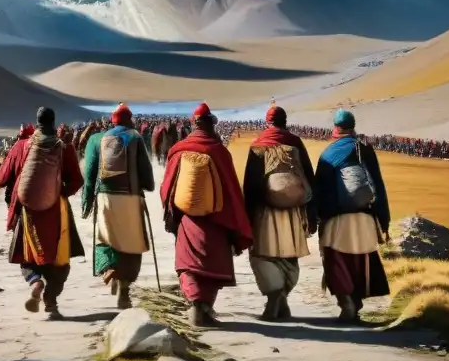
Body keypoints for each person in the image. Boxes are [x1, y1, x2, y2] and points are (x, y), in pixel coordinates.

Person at [161, 102, 252, 327]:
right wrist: (235, 223)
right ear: (210, 124)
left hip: (187, 221)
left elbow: (167, 188)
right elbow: (231, 190)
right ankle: (204, 308)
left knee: (189, 265)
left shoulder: (179, 150)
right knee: (212, 266)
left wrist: (173, 215)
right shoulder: (218, 151)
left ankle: (195, 306)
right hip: (216, 222)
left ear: (193, 125)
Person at [0, 106, 85, 319]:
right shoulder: (64, 147)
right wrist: (59, 193)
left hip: (28, 212)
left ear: (36, 122)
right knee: (60, 260)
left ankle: (35, 282)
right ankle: (51, 301)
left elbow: (1, 179)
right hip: (58, 212)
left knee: (27, 257)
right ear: (54, 122)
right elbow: (77, 180)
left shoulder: (21, 145)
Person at [313, 109, 390, 323]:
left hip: (337, 220)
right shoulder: (364, 150)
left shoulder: (328, 153)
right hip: (365, 217)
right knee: (361, 263)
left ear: (335, 128)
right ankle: (356, 305)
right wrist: (383, 220)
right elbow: (378, 185)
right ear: (353, 126)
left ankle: (345, 302)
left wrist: (317, 217)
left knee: (337, 262)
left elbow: (319, 189)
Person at [242, 104, 317, 321]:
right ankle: (282, 299)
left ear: (267, 122)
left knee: (263, 255)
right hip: (293, 213)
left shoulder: (257, 145)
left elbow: (251, 185)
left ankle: (274, 297)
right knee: (289, 255)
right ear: (285, 122)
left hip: (264, 213)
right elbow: (308, 179)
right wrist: (312, 214)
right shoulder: (295, 143)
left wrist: (248, 217)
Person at [81, 103, 156, 309]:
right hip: (131, 198)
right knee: (131, 244)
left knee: (104, 238)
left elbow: (89, 174)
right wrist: (147, 186)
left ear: (111, 120)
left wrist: (87, 202)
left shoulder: (96, 140)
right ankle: (124, 289)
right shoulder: (135, 138)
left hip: (105, 197)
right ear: (129, 120)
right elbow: (146, 173)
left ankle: (108, 268)